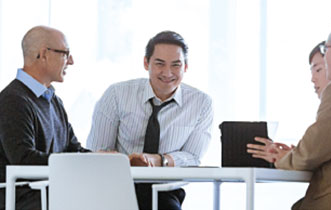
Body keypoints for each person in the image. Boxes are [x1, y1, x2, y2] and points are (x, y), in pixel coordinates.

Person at [247, 18, 331, 210]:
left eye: (326, 49)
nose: (324, 58)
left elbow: (313, 150)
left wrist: (282, 158)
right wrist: (295, 152)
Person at [87, 31, 213, 210]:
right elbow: (97, 151)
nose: (168, 73)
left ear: (185, 67)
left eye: (176, 65)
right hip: (117, 184)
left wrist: (158, 160)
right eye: (160, 64)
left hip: (165, 188)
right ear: (146, 63)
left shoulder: (201, 103)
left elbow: (193, 157)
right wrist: (126, 161)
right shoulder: (116, 95)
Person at [0, 26, 90, 210]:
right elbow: (24, 159)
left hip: (51, 194)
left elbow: (74, 151)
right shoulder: (13, 100)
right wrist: (77, 163)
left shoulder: (54, 101)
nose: (71, 61)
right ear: (43, 54)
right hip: (25, 198)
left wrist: (107, 160)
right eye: (65, 53)